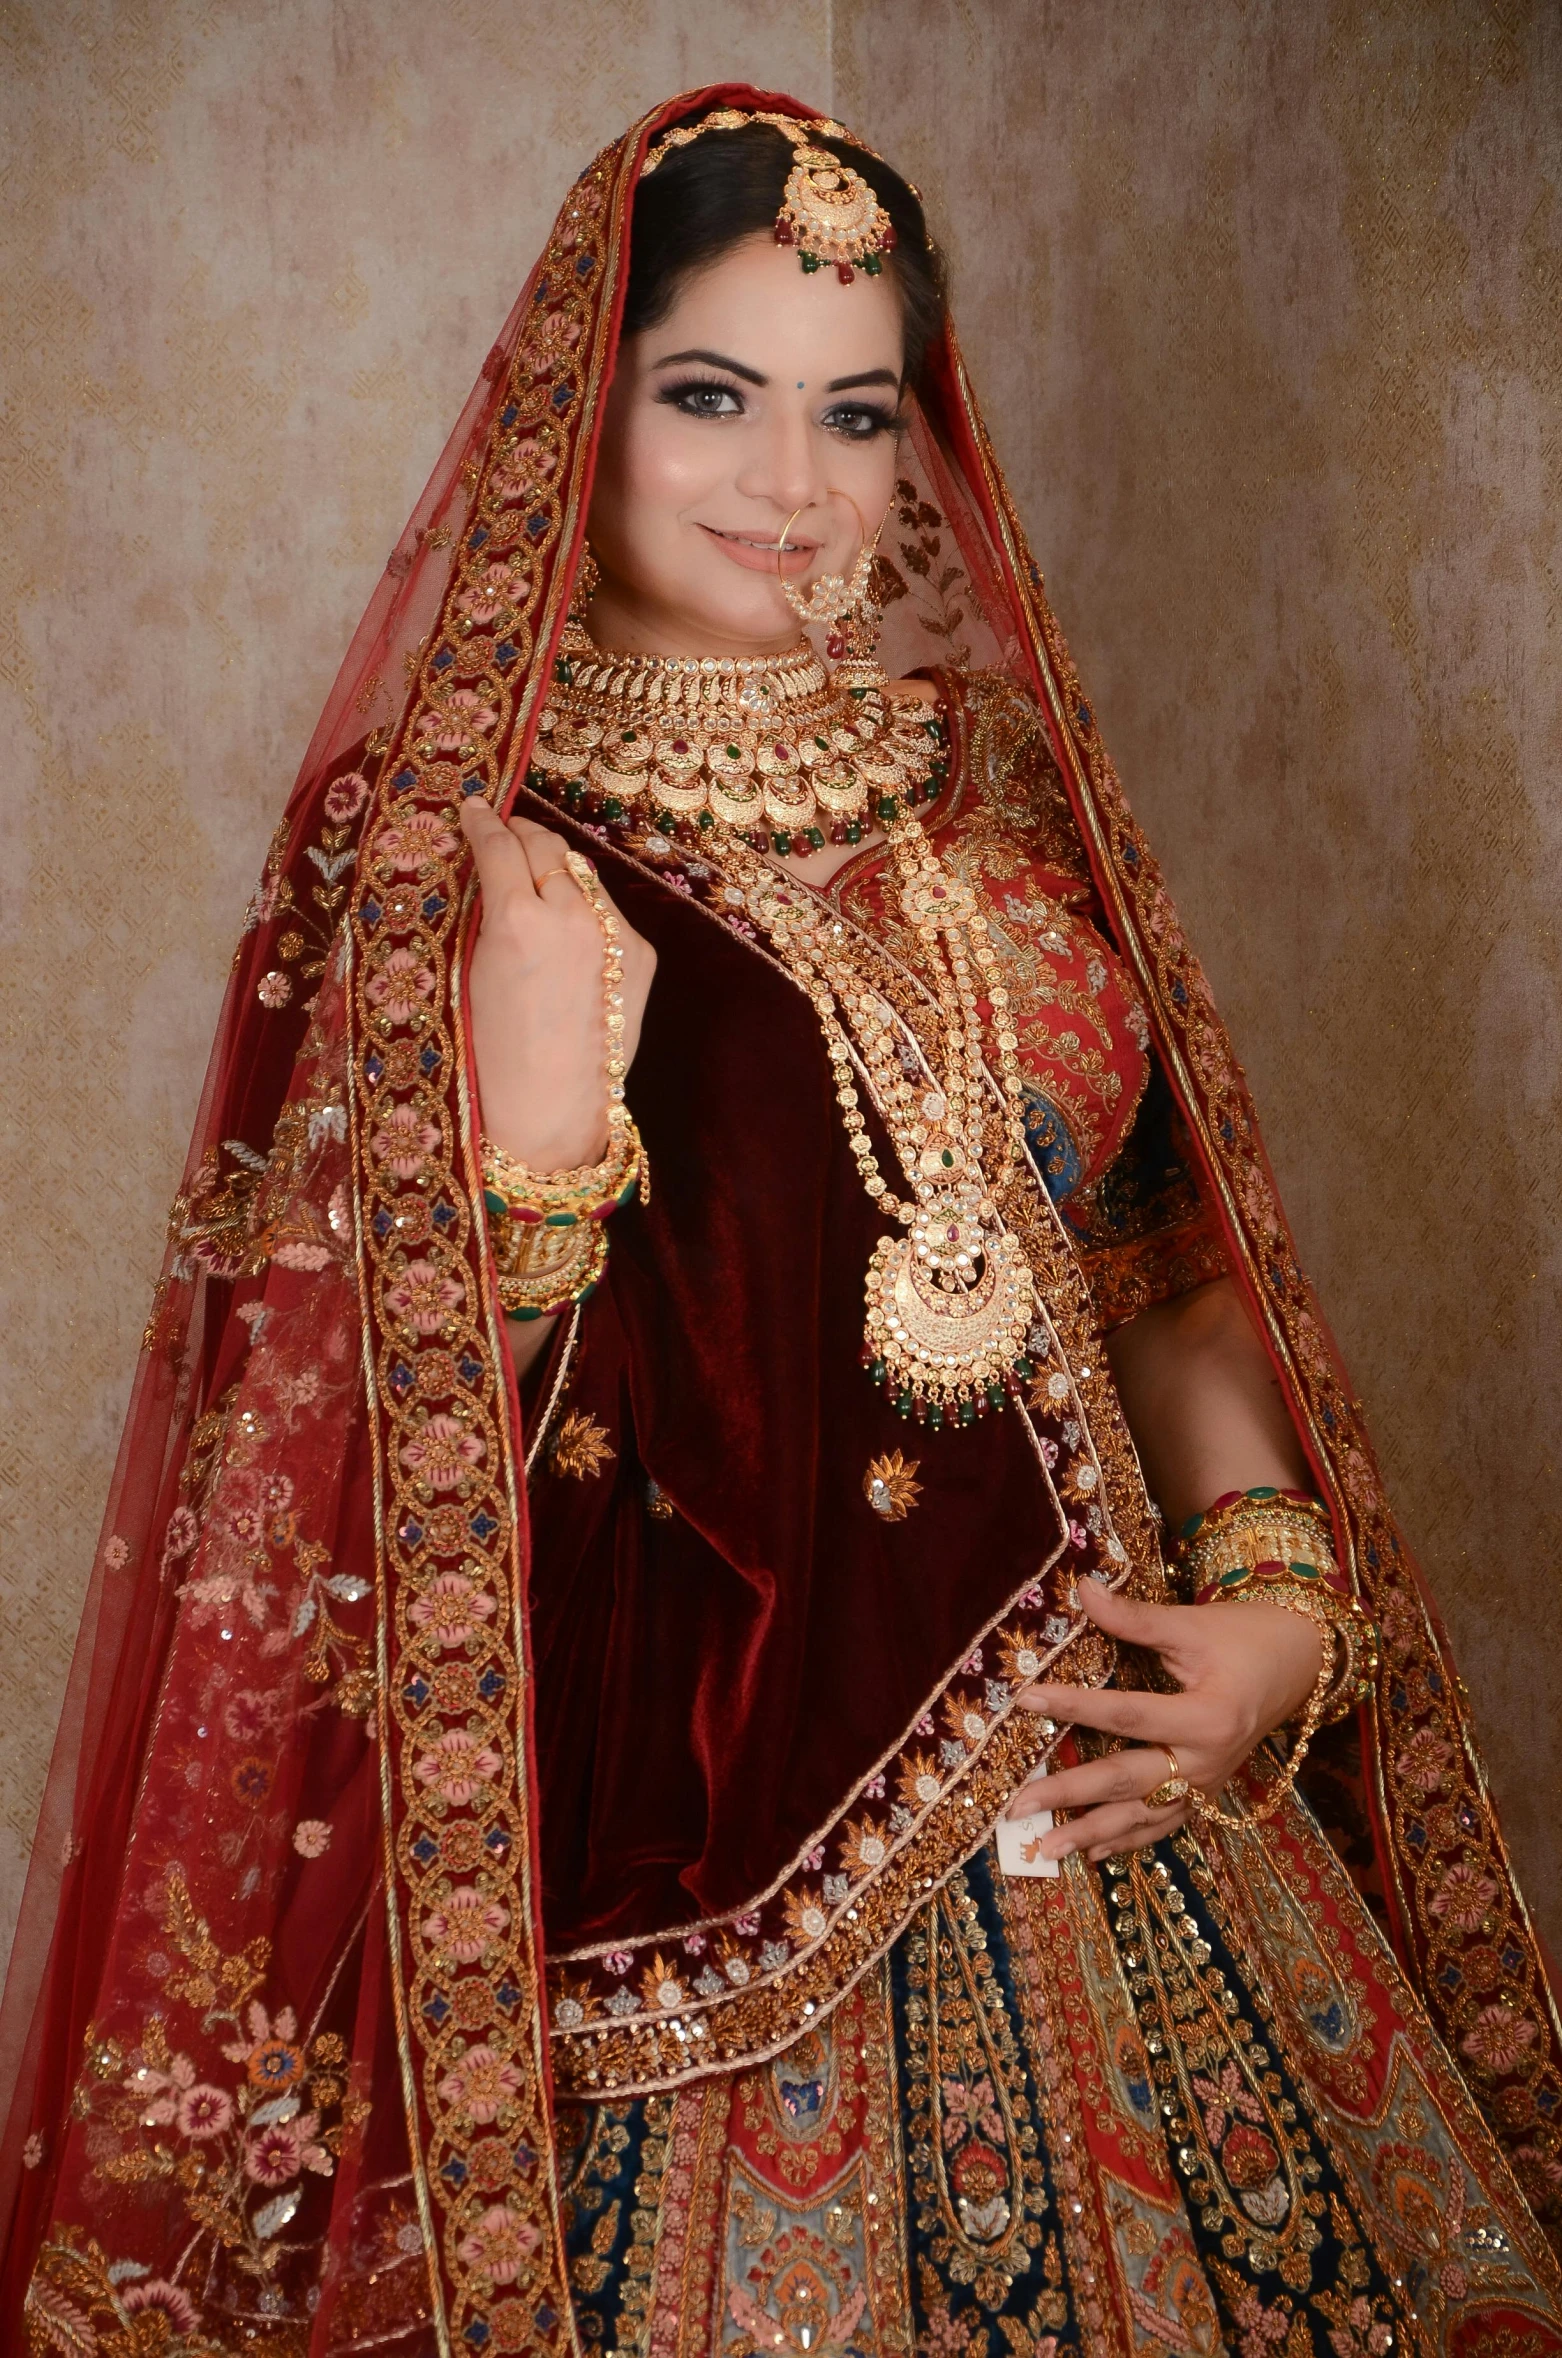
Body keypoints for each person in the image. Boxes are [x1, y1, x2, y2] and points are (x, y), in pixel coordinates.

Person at [3, 86, 1559, 2358]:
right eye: (712, 396)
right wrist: (533, 1147)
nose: (794, 486)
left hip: (1129, 1806)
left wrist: (1279, 1619)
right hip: (691, 1880)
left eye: (857, 414)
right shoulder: (447, 831)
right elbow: (323, 1503)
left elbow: (1156, 1266)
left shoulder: (993, 779)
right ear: (580, 415)